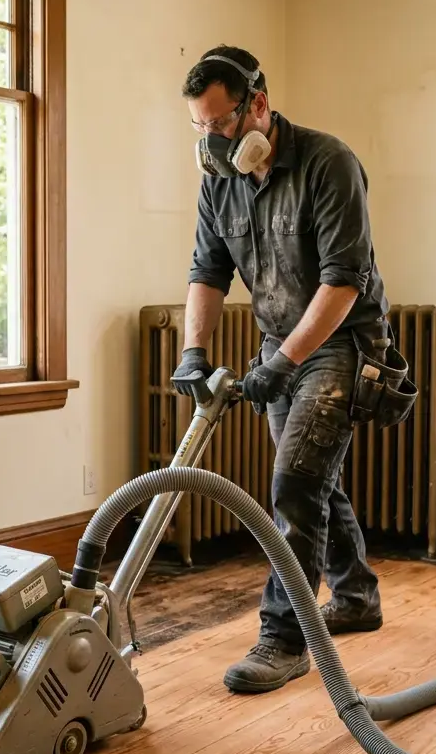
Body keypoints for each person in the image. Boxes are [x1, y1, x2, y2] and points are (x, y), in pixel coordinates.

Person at [173, 45, 411, 695]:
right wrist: (193, 351)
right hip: (280, 342)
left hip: (343, 342)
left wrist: (284, 362)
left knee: (297, 479)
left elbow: (343, 281)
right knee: (311, 479)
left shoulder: (328, 162)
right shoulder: (219, 181)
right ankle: (356, 595)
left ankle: (284, 638)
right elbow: (207, 272)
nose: (213, 141)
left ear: (258, 104)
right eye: (200, 127)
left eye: (221, 123)